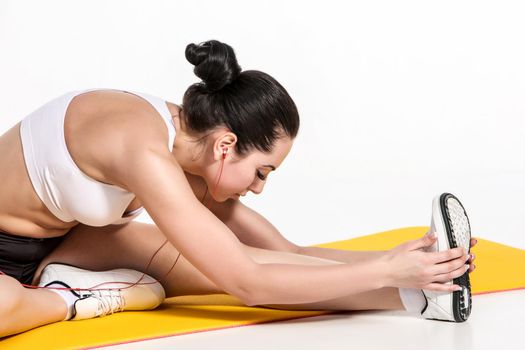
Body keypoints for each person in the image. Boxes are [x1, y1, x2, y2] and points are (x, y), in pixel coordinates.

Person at [0, 40, 476, 337]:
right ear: (226, 145)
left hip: (65, 244)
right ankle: (75, 299)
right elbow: (247, 282)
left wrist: (418, 264)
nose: (259, 188)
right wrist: (386, 267)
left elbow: (285, 254)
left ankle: (422, 297)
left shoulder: (190, 147)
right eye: (261, 172)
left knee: (259, 265)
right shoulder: (143, 150)